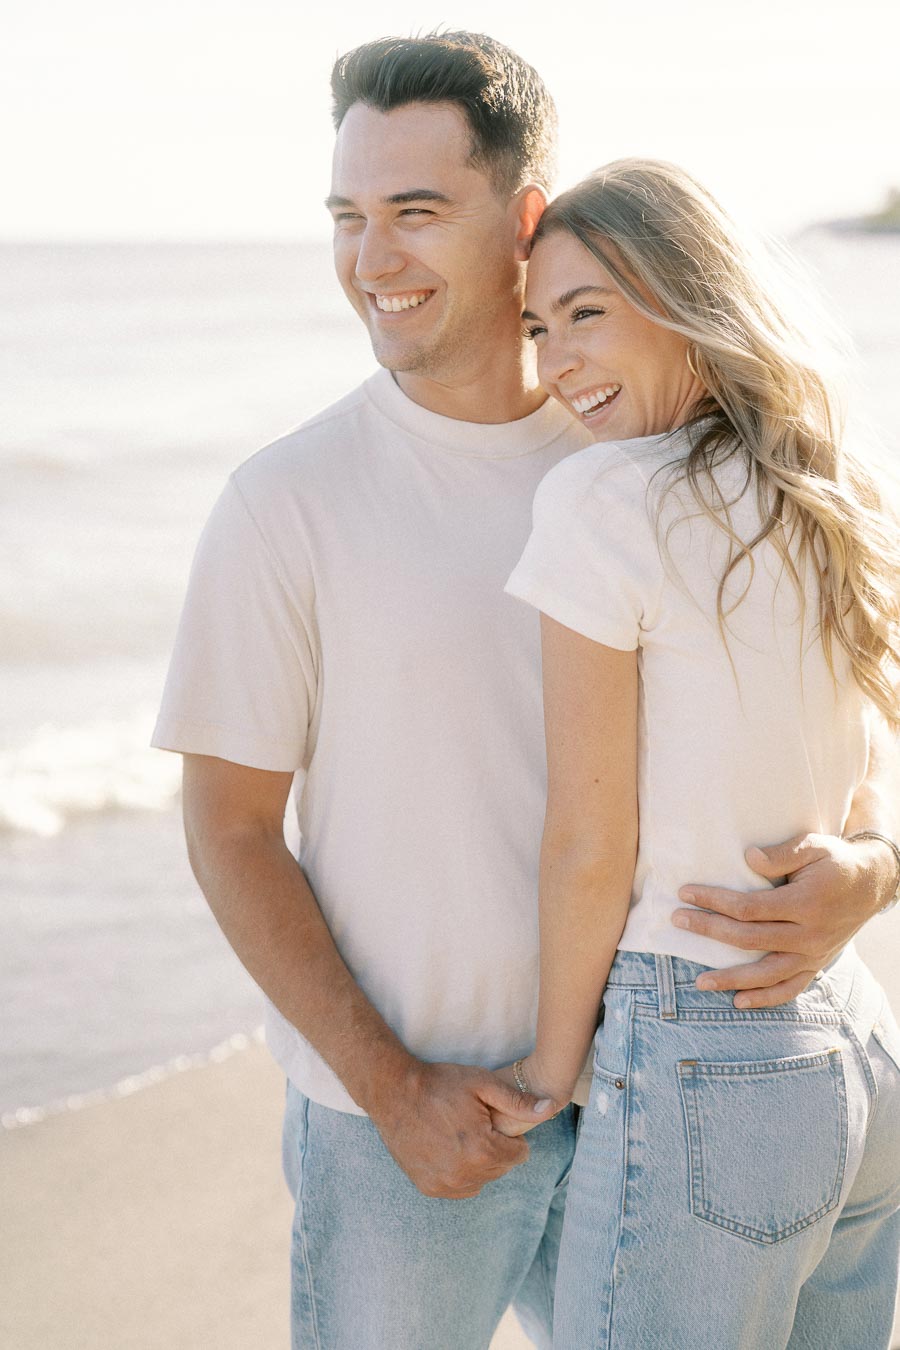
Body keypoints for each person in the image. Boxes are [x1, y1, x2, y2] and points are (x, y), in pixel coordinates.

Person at [151, 34, 899, 1350]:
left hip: (655, 1087)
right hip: (423, 1124)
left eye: (418, 213)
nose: (371, 260)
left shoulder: (636, 446)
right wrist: (390, 1088)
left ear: (527, 217)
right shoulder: (284, 503)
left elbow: (818, 689)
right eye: (348, 217)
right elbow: (225, 828)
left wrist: (874, 862)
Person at [500, 158, 900, 1347]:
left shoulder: (601, 500)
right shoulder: (827, 498)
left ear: (688, 300)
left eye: (586, 312)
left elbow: (589, 839)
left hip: (700, 1041)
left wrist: (548, 1075)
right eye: (534, 325)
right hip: (853, 1044)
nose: (555, 360)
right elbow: (865, 778)